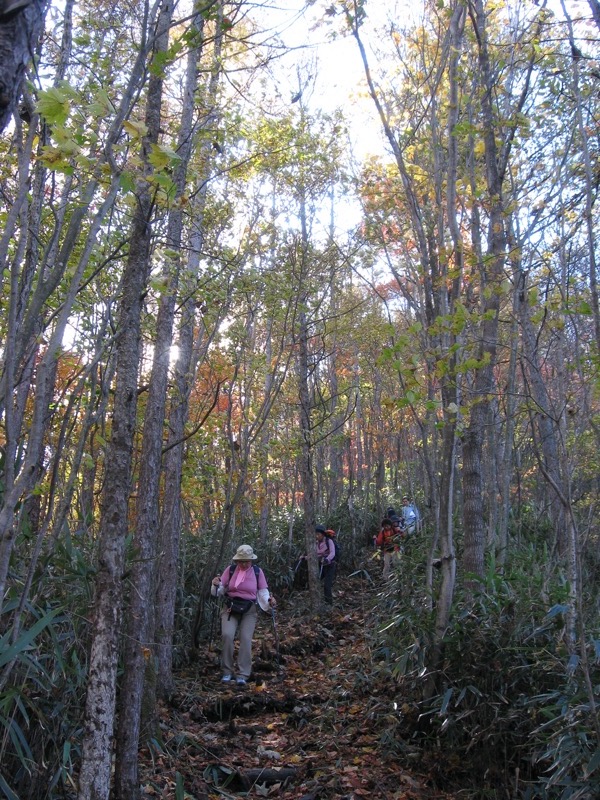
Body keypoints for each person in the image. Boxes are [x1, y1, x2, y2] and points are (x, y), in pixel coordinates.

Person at [211, 544, 275, 686]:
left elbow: (263, 592)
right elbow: (220, 590)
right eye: (241, 561)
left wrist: (269, 601)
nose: (244, 564)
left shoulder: (257, 572)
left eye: (246, 561)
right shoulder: (231, 570)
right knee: (227, 636)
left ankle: (243, 674)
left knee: (245, 639)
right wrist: (215, 585)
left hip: (249, 609)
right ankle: (227, 671)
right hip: (230, 608)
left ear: (251, 560)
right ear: (236, 561)